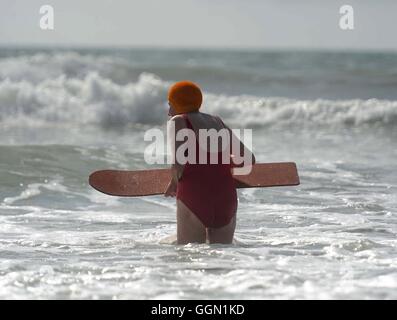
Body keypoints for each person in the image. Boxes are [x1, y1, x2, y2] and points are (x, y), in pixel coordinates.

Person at [164, 81, 255, 244]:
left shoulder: (178, 121)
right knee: (222, 257)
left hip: (194, 195)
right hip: (225, 196)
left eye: (170, 104)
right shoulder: (217, 122)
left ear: (178, 103)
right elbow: (248, 159)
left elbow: (178, 162)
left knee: (188, 256)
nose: (168, 112)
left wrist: (173, 183)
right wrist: (219, 165)